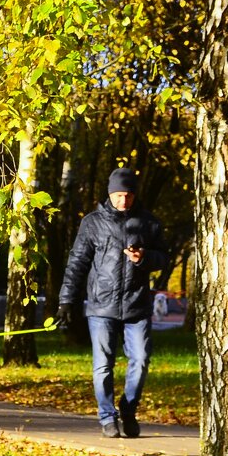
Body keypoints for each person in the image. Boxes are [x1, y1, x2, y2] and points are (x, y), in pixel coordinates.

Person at [56, 168, 168, 439]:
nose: (123, 201)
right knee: (102, 365)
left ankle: (128, 412)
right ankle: (107, 416)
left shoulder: (149, 223)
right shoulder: (92, 222)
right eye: (119, 195)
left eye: (128, 195)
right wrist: (66, 301)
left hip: (136, 306)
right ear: (110, 194)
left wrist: (144, 258)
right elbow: (77, 264)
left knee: (140, 360)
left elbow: (164, 258)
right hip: (101, 306)